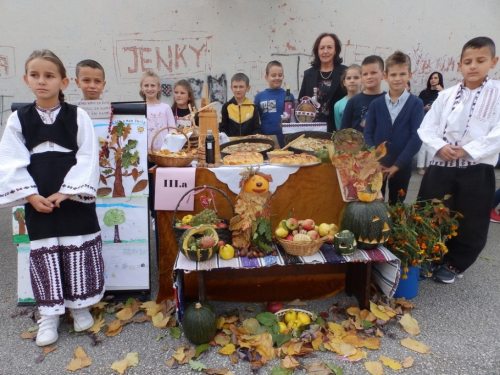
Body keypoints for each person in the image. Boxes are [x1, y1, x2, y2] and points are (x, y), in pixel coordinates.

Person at [0, 50, 104, 346]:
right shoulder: (18, 119)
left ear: (64, 81)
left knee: (78, 248)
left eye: (49, 75)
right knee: (45, 251)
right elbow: (9, 160)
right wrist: (30, 195)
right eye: (35, 75)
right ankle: (49, 314)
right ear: (26, 79)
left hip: (71, 194)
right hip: (38, 193)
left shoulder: (78, 115)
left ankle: (79, 304)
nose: (42, 81)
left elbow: (88, 156)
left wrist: (68, 190)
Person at [417, 36, 500, 284]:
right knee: (429, 212)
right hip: (441, 165)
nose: (473, 66)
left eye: (480, 60)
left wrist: (468, 150)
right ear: (459, 65)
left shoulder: (497, 94)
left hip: (476, 167)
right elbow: (427, 127)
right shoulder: (446, 96)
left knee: (470, 218)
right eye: (467, 61)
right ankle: (425, 255)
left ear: (493, 62)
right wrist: (440, 146)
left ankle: (455, 263)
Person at [364, 51, 424, 204]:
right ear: (385, 76)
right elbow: (368, 133)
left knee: (397, 204)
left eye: (402, 74)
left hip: (402, 166)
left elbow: (416, 137)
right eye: (393, 74)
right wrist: (375, 161)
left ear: (410, 75)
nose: (397, 79)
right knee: (375, 204)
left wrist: (398, 165)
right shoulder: (376, 104)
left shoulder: (416, 104)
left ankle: (396, 226)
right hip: (377, 167)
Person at [140, 70, 175, 230]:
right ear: (141, 87)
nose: (149, 88)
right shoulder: (139, 108)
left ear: (159, 87)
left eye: (152, 85)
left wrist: (168, 152)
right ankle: (149, 215)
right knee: (145, 187)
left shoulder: (165, 107)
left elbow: (172, 131)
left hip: (162, 156)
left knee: (159, 187)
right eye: (146, 85)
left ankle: (158, 216)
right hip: (143, 156)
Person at [299, 33, 347, 132]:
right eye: (322, 48)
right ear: (317, 51)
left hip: (337, 128)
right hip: (312, 128)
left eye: (329, 47)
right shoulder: (309, 74)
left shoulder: (345, 72)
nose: (325, 51)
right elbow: (301, 101)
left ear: (335, 50)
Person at [341, 55, 386, 132]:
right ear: (361, 77)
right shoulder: (353, 102)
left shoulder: (389, 100)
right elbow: (344, 132)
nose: (369, 77)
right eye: (365, 74)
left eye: (373, 73)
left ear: (383, 75)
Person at [254, 61, 293, 147]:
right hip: (266, 141)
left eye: (280, 75)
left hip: (287, 141)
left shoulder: (289, 96)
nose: (277, 78)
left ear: (283, 76)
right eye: (273, 75)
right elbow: (256, 121)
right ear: (266, 77)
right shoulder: (259, 97)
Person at [416, 72, 445, 174]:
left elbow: (446, 106)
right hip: (424, 120)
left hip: (436, 122)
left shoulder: (443, 93)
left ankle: (430, 166)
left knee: (432, 144)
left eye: (436, 78)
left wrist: (442, 92)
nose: (433, 80)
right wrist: (425, 108)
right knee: (422, 144)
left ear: (439, 80)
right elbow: (417, 106)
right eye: (431, 78)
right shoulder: (424, 93)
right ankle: (420, 167)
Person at [219, 73, 260, 137]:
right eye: (235, 87)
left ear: (248, 88)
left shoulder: (253, 107)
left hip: (249, 144)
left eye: (241, 87)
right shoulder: (226, 107)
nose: (238, 90)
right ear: (231, 88)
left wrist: (251, 140)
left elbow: (257, 128)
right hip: (231, 144)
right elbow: (223, 128)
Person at [334, 64, 362, 129]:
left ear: (362, 80)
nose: (352, 81)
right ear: (344, 82)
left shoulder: (370, 101)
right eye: (349, 78)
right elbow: (340, 130)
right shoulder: (338, 105)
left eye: (356, 78)